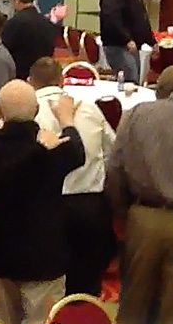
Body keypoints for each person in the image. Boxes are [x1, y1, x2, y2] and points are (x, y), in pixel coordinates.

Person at [0, 81, 85, 324]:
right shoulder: (51, 147)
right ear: (36, 111)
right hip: (42, 254)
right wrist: (67, 121)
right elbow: (77, 152)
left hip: (0, 251)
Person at [107, 56, 173, 324]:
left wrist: (122, 214)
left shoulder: (138, 114)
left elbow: (115, 169)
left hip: (142, 219)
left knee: (132, 312)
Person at [30, 57, 117, 296]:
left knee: (48, 289)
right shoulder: (89, 107)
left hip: (48, 209)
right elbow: (113, 151)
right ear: (61, 80)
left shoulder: (27, 112)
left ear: (30, 81)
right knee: (88, 287)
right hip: (90, 207)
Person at [100, 0, 156, 84]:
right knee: (129, 78)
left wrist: (152, 41)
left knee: (134, 77)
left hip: (133, 44)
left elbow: (141, 18)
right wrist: (127, 40)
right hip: (117, 45)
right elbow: (112, 20)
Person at [0, 0, 57, 79]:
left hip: (19, 76)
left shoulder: (14, 23)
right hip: (43, 75)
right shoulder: (47, 23)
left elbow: (4, 51)